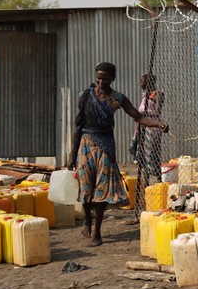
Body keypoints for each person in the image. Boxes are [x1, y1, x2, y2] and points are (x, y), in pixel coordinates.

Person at [66, 62, 168, 245]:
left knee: (102, 189)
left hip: (106, 146)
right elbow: (78, 125)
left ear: (113, 79)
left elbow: (138, 117)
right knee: (86, 187)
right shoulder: (85, 95)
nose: (101, 82)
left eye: (105, 79)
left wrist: (158, 124)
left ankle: (97, 232)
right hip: (86, 144)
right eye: (98, 78)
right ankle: (87, 219)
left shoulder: (118, 98)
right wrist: (72, 155)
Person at [130, 73, 165, 183]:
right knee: (143, 155)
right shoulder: (145, 95)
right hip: (143, 127)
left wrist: (143, 116)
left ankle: (157, 179)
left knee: (151, 154)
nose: (141, 83)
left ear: (149, 82)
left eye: (143, 81)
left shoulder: (157, 94)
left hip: (152, 128)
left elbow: (157, 112)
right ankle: (146, 181)